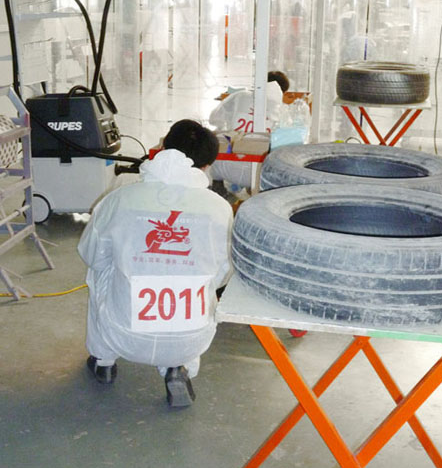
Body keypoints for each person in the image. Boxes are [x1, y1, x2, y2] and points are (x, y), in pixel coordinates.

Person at [78, 119, 233, 407]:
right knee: (203, 280)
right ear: (207, 166)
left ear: (161, 149)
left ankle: (104, 361)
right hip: (193, 339)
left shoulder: (121, 198)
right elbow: (224, 272)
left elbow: (91, 254)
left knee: (99, 270)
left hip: (122, 334)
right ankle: (178, 366)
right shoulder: (219, 208)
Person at [208, 71, 290, 192]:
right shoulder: (283, 110)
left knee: (218, 137)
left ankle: (218, 187)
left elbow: (213, 119)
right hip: (261, 174)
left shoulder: (239, 96)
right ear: (283, 92)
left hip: (225, 168)